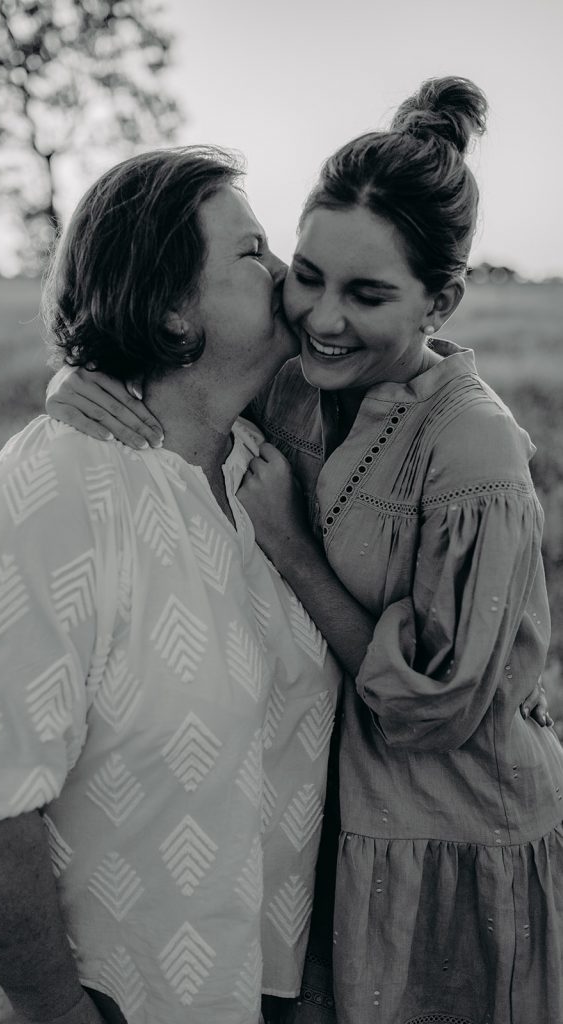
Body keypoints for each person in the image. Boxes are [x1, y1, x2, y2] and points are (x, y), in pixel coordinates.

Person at [45, 78, 563, 1023]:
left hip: (448, 839)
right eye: (308, 275)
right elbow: (173, 365)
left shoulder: (473, 451)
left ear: (441, 301)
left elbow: (435, 707)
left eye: (367, 295)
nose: (321, 316)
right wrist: (74, 383)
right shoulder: (291, 382)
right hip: (327, 831)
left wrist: (290, 546)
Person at [0, 147, 344, 1024]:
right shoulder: (52, 497)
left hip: (258, 989)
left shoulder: (272, 464)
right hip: (110, 997)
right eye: (251, 251)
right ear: (170, 306)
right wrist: (60, 1013)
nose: (287, 272)